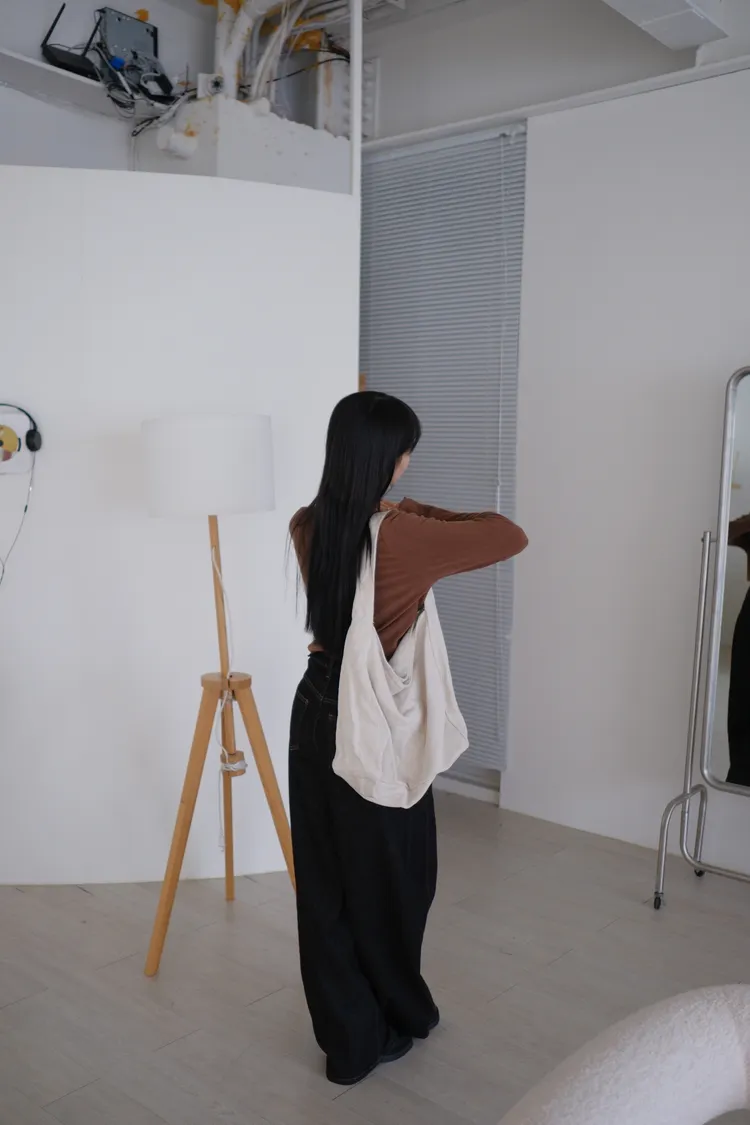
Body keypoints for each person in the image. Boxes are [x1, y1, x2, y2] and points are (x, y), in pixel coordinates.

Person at [289, 391, 528, 1085]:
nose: (410, 461)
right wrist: (409, 508)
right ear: (388, 459)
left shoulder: (306, 523)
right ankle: (397, 1010)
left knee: (326, 884)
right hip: (373, 720)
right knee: (396, 880)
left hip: (313, 707)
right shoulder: (399, 533)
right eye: (405, 451)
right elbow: (507, 534)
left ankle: (349, 1040)